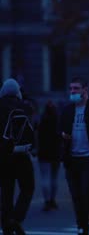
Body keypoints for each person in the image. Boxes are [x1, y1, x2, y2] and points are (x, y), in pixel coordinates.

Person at [60, 77, 89, 235]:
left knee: (88, 192)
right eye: (71, 89)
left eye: (76, 89)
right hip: (72, 158)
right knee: (76, 195)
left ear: (85, 90)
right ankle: (82, 226)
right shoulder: (67, 110)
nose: (73, 92)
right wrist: (63, 135)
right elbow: (60, 130)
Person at [0, 79, 35, 235]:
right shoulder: (25, 106)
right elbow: (34, 128)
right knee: (28, 187)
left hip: (4, 156)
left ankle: (6, 224)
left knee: (7, 192)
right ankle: (16, 218)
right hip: (22, 154)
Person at [38, 100, 61, 211]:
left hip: (43, 152)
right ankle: (53, 199)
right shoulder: (58, 121)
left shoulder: (42, 121)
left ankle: (46, 201)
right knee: (54, 177)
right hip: (56, 152)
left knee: (45, 177)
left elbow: (37, 136)